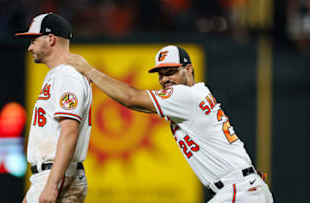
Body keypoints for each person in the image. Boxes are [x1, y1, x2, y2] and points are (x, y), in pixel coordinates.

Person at [66, 45, 274, 203]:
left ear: (189, 70)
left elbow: (130, 97)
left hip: (239, 191)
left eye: (171, 72)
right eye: (161, 74)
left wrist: (88, 70)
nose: (165, 79)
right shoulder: (195, 95)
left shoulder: (185, 96)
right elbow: (139, 105)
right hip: (243, 189)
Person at [16, 13, 92, 203]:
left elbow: (70, 131)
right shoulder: (58, 75)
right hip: (50, 175)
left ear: (51, 39)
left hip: (57, 174)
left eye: (33, 40)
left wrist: (52, 184)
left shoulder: (67, 75)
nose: (30, 47)